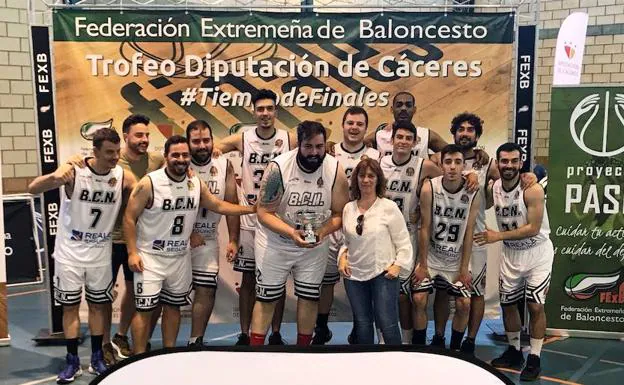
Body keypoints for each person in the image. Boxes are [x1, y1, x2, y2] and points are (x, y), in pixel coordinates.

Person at [123, 135, 255, 354]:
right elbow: (129, 217)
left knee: (173, 307)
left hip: (179, 256)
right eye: (175, 155)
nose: (181, 159)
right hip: (151, 257)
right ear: (166, 156)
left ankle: (169, 353)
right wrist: (132, 252)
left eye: (185, 155)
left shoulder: (194, 182)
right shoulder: (150, 182)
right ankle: (138, 358)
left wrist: (252, 210)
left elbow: (219, 205)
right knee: (145, 309)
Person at [28, 128, 136, 383]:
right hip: (69, 254)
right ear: (95, 151)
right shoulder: (74, 172)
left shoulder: (122, 176)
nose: (114, 157)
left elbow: (147, 187)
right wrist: (56, 175)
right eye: (109, 152)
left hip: (100, 254)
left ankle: (97, 357)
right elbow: (33, 188)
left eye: (117, 151)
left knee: (99, 306)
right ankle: (72, 359)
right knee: (71, 308)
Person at [250, 121, 349, 346]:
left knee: (309, 297)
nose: (314, 152)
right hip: (277, 241)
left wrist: (322, 231)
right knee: (266, 298)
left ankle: (303, 350)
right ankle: (254, 352)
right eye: (308, 146)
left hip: (314, 243)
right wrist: (292, 232)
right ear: (298, 145)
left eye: (319, 146)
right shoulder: (278, 169)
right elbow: (264, 213)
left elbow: (339, 213)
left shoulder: (335, 169)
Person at [214, 89, 295, 345]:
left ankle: (276, 333)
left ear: (276, 112)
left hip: (279, 219)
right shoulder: (244, 138)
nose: (265, 114)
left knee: (277, 280)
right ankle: (245, 333)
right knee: (248, 279)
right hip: (250, 220)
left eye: (269, 109)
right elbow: (213, 146)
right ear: (253, 112)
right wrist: (216, 152)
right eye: (260, 109)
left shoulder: (288, 139)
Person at [475, 142, 553, 381]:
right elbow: (481, 196)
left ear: (521, 163)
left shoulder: (532, 189)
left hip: (537, 252)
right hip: (511, 253)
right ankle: (514, 350)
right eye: (504, 161)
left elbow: (533, 228)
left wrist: (497, 236)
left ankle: (535, 358)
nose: (509, 165)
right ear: (498, 163)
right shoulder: (494, 186)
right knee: (508, 305)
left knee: (535, 305)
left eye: (513, 161)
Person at [313, 106, 380, 345]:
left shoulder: (375, 154)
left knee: (363, 282)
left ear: (365, 128)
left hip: (363, 228)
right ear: (342, 125)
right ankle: (321, 327)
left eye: (359, 124)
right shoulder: (328, 154)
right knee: (326, 282)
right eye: (350, 123)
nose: (354, 127)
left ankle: (360, 328)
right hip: (335, 223)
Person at [107, 114, 165, 363]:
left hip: (139, 241)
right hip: (108, 240)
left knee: (133, 291)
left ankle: (121, 335)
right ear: (126, 136)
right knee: (103, 296)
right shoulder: (112, 161)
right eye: (139, 135)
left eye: (147, 135)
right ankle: (102, 346)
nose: (144, 140)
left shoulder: (156, 160)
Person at [338, 158, 413, 345]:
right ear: (356, 179)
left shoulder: (389, 207)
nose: (366, 180)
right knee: (363, 324)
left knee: (387, 324)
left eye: (371, 176)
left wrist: (398, 266)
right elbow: (346, 241)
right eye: (362, 176)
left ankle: (395, 363)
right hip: (354, 275)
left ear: (378, 180)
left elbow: (404, 242)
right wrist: (342, 259)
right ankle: (366, 365)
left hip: (383, 274)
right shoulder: (348, 208)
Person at [379, 121, 442, 344]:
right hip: (382, 235)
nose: (403, 141)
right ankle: (384, 340)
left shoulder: (423, 165)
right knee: (383, 293)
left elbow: (447, 179)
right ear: (392, 140)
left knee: (404, 295)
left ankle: (406, 342)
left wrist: (471, 174)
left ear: (415, 142)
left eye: (408, 138)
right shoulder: (379, 162)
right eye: (400, 137)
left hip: (407, 233)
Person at [411, 144, 480, 349]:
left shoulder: (473, 192)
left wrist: (464, 268)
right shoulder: (430, 187)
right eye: (448, 162)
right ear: (441, 165)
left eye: (457, 162)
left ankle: (456, 349)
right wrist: (422, 264)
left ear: (463, 166)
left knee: (464, 303)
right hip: (432, 256)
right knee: (419, 298)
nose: (452, 167)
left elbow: (469, 231)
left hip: (456, 258)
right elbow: (424, 227)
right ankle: (420, 348)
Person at [186, 120, 240, 347]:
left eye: (206, 140)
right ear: (187, 143)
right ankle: (149, 347)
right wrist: (189, 233)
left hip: (208, 238)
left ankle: (195, 340)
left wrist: (234, 240)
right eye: (196, 141)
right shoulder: (177, 161)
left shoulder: (224, 163)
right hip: (177, 239)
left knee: (206, 289)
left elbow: (231, 202)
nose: (201, 145)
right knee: (166, 295)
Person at [364, 91, 448, 157]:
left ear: (414, 110)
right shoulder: (379, 135)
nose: (403, 108)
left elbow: (453, 153)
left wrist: (433, 158)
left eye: (408, 105)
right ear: (392, 109)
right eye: (399, 105)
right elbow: (356, 148)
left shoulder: (426, 135)